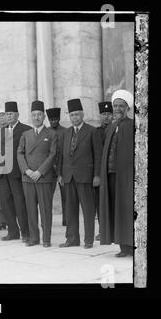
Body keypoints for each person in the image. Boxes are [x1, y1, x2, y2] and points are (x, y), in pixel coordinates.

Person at [57, 99, 102, 249]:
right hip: (68, 177)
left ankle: (88, 240)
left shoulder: (92, 131)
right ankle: (72, 239)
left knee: (88, 209)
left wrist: (97, 175)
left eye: (77, 114)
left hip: (86, 177)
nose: (74, 117)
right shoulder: (66, 133)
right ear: (69, 116)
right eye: (72, 115)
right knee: (70, 209)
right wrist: (60, 174)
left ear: (82, 115)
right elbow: (60, 156)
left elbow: (98, 155)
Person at [17, 100, 58, 247]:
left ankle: (46, 239)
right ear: (31, 116)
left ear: (44, 117)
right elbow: (19, 154)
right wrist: (27, 170)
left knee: (46, 210)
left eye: (39, 115)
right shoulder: (26, 134)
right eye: (34, 115)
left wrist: (39, 172)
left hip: (44, 177)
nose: (36, 117)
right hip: (28, 178)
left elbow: (52, 155)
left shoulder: (52, 134)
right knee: (30, 210)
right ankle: (34, 238)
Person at [99, 90, 134, 257]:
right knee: (115, 210)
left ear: (127, 108)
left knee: (127, 210)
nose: (117, 108)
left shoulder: (133, 125)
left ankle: (132, 245)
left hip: (126, 178)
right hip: (111, 176)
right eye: (115, 106)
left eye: (121, 106)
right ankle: (122, 247)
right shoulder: (111, 127)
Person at [0, 101, 32, 242]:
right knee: (5, 203)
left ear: (17, 114)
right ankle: (12, 232)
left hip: (18, 173)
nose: (9, 116)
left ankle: (25, 232)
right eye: (6, 114)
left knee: (20, 203)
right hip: (3, 174)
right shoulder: (2, 131)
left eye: (11, 114)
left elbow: (27, 153)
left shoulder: (25, 130)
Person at [95, 101, 113, 241]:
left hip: (113, 173)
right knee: (101, 203)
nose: (106, 117)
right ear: (100, 116)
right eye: (104, 114)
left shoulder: (117, 129)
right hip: (101, 174)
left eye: (109, 114)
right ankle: (103, 230)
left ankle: (115, 230)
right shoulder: (97, 132)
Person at [46, 107, 67, 226]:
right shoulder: (46, 132)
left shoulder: (65, 131)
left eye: (55, 119)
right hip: (49, 169)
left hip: (63, 168)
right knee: (48, 196)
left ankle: (66, 220)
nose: (53, 122)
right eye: (51, 120)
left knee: (66, 196)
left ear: (59, 119)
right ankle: (47, 220)